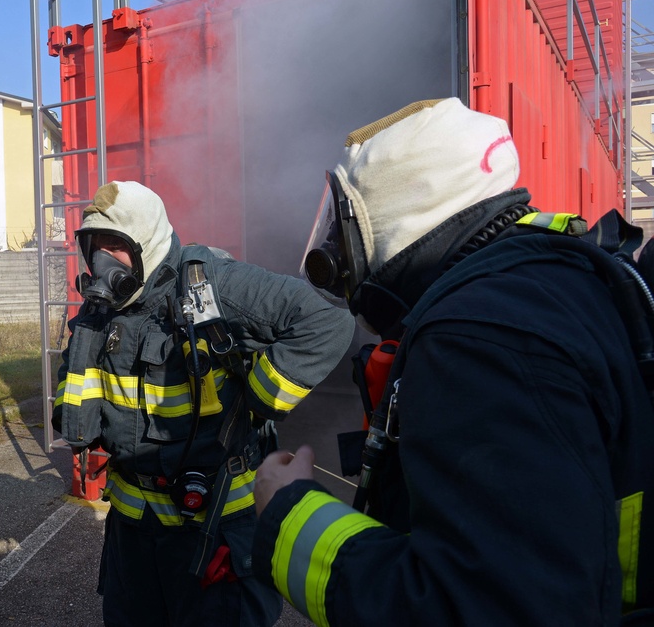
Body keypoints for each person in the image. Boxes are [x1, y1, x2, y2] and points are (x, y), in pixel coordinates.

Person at [252, 98, 654, 625]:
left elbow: (482, 608)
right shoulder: (550, 279)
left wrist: (290, 516)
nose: (333, 251)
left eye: (342, 225)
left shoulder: (479, 337)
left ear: (395, 215)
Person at [51, 180, 355, 627]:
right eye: (95, 245)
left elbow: (327, 321)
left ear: (147, 244)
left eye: (117, 245)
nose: (102, 260)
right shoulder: (100, 312)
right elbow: (74, 401)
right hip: (132, 531)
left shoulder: (212, 284)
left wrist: (262, 396)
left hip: (214, 524)